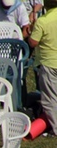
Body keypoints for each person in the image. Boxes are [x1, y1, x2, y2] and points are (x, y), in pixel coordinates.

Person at [29, 6, 57, 135]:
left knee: (50, 99)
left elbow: (33, 42)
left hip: (49, 62)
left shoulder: (43, 21)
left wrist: (31, 30)